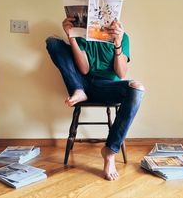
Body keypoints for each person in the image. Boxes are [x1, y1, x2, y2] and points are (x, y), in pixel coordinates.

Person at [46, 17, 145, 181]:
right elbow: (84, 69)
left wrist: (118, 43)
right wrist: (71, 36)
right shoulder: (82, 35)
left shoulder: (123, 37)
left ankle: (110, 152)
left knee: (137, 89)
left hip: (107, 88)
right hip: (83, 82)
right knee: (53, 41)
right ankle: (78, 90)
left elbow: (121, 74)